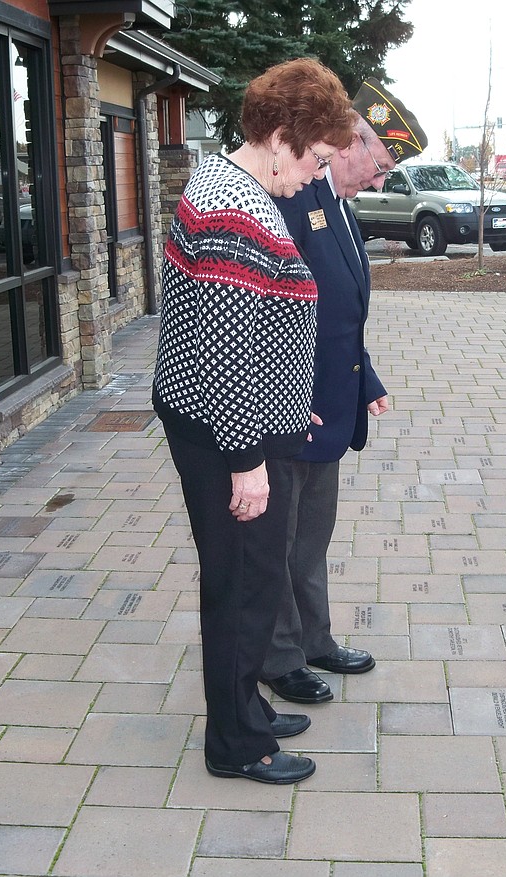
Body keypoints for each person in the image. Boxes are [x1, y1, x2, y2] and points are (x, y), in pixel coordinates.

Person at [152, 58, 355, 785]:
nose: (314, 177)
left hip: (227, 419)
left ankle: (248, 709)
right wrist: (246, 460)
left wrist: (287, 396)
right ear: (279, 138)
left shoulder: (231, 187)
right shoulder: (236, 209)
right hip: (222, 432)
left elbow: (247, 329)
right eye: (316, 159)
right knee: (240, 583)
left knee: (255, 574)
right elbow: (225, 350)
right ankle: (235, 742)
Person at [261, 80, 428, 703]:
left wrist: (367, 381)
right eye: (380, 166)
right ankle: (278, 658)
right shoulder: (291, 199)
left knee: (311, 536)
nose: (381, 182)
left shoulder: (336, 203)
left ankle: (314, 640)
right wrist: (289, 398)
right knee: (278, 541)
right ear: (353, 139)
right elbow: (280, 313)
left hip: (328, 402)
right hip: (291, 406)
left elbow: (338, 312)